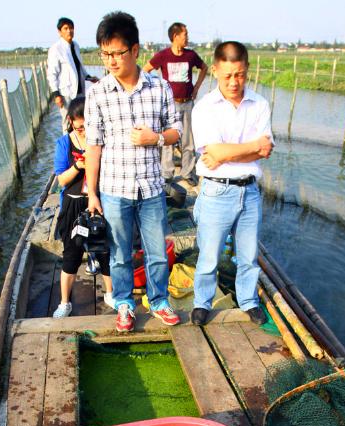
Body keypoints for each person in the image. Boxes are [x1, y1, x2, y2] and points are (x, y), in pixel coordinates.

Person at [84, 12, 183, 333]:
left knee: (157, 252)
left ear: (135, 50)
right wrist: (93, 193)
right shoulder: (98, 93)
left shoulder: (159, 87)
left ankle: (159, 301)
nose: (111, 61)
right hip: (114, 189)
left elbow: (176, 130)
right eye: (105, 54)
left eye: (117, 53)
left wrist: (155, 138)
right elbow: (94, 146)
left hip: (152, 188)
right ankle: (124, 303)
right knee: (119, 254)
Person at [190, 41, 274, 327]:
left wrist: (226, 152)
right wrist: (248, 149)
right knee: (209, 254)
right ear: (214, 71)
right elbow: (215, 153)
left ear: (247, 70)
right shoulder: (204, 108)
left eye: (239, 74)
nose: (234, 82)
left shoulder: (260, 104)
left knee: (249, 255)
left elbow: (265, 150)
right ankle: (202, 302)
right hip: (216, 190)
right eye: (227, 75)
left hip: (249, 191)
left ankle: (248, 301)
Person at [53, 96, 113, 318]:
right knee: (72, 253)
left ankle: (110, 293)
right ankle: (64, 302)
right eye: (79, 127)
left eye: (88, 126)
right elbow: (62, 180)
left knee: (105, 249)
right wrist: (79, 164)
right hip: (73, 203)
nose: (84, 132)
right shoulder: (63, 144)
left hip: (97, 200)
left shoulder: (101, 140)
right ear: (70, 121)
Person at [143, 22, 208, 186]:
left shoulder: (190, 55)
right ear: (175, 36)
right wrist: (155, 89)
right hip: (169, 104)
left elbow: (204, 68)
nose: (187, 37)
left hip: (187, 103)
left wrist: (196, 87)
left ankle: (187, 172)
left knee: (188, 140)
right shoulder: (163, 55)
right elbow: (145, 70)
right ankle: (167, 174)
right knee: (167, 140)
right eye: (185, 34)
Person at [47, 17, 99, 129]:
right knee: (67, 120)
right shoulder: (56, 49)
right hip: (66, 92)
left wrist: (89, 77)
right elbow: (52, 74)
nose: (69, 31)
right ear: (59, 32)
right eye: (65, 28)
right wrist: (56, 95)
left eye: (71, 28)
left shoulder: (75, 46)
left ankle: (80, 144)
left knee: (82, 118)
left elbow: (79, 66)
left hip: (79, 90)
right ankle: (67, 145)